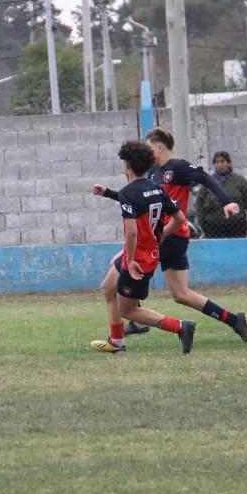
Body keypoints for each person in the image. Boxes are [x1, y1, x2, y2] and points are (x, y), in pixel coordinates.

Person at [95, 128, 247, 343]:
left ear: (159, 148)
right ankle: (234, 320)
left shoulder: (177, 167)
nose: (145, 152)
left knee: (115, 279)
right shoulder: (154, 173)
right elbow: (137, 200)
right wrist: (109, 193)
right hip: (165, 237)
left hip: (169, 237)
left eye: (149, 148)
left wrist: (227, 201)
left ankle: (130, 325)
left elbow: (205, 178)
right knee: (181, 294)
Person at [89, 140, 196, 355]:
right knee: (108, 288)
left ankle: (180, 327)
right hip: (145, 254)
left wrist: (129, 261)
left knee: (128, 310)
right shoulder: (157, 189)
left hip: (138, 260)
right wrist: (160, 236)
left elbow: (132, 231)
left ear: (127, 165)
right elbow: (179, 219)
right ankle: (117, 341)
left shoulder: (129, 192)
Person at [195, 150, 247, 238]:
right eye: (216, 162)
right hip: (213, 226)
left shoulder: (239, 181)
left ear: (229, 163)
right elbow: (199, 202)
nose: (219, 165)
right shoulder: (208, 182)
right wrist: (202, 221)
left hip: (236, 225)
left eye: (222, 161)